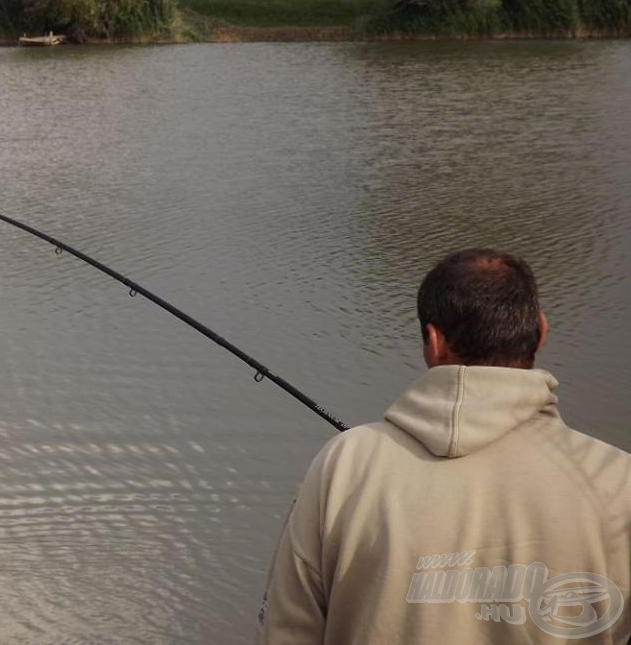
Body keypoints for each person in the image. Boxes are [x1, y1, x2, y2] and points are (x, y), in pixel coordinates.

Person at [257, 248, 630, 644]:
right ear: (540, 331)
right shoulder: (618, 479)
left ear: (434, 343)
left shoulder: (342, 464)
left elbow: (285, 631)